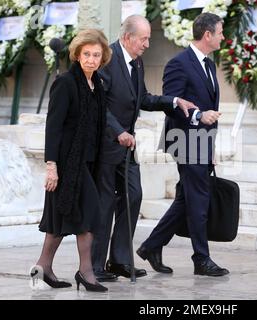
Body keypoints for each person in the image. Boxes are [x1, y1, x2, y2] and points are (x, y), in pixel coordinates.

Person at [91, 15, 197, 282]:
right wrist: (119, 132)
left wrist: (173, 101)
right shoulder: (107, 58)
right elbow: (99, 104)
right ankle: (94, 266)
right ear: (127, 38)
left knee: (134, 195)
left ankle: (119, 260)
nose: (148, 44)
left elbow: (144, 98)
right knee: (104, 205)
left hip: (127, 149)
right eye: (144, 38)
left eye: (148, 38)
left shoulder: (136, 62)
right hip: (104, 145)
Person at [137, 13, 229, 277]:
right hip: (185, 141)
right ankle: (201, 259)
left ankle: (151, 246)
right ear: (207, 35)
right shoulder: (179, 64)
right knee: (198, 200)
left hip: (202, 143)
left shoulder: (209, 66)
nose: (223, 37)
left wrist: (210, 148)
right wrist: (199, 116)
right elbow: (172, 105)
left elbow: (211, 109)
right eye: (220, 32)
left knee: (187, 199)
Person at [32, 29, 112, 292]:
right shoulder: (65, 83)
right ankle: (86, 272)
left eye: (96, 55)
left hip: (87, 162)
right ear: (77, 55)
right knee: (89, 213)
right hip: (67, 164)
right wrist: (51, 166)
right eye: (86, 54)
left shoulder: (97, 85)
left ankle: (43, 266)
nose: (91, 59)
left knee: (61, 217)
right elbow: (52, 128)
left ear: (103, 58)